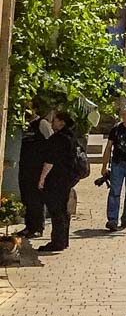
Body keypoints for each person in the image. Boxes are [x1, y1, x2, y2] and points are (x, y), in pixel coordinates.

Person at [36, 111, 80, 253]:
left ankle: (57, 242)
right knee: (63, 211)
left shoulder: (57, 139)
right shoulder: (71, 137)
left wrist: (42, 179)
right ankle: (63, 240)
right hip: (68, 178)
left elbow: (50, 161)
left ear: (62, 122)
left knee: (56, 211)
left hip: (56, 179)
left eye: (54, 120)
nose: (52, 123)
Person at [16, 107, 52, 238]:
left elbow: (51, 142)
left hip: (38, 168)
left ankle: (38, 227)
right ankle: (29, 226)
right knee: (27, 198)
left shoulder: (42, 124)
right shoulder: (25, 125)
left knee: (37, 199)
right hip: (25, 168)